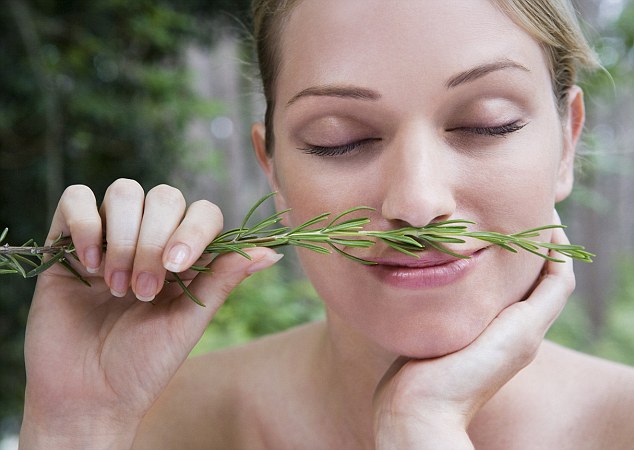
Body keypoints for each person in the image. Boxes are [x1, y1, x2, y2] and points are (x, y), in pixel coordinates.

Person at [18, 0, 634, 449]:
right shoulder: (152, 423)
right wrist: (78, 426)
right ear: (274, 171)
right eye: (342, 140)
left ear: (566, 142)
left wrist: (422, 429)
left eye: (487, 124)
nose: (417, 204)